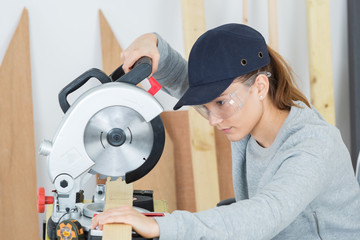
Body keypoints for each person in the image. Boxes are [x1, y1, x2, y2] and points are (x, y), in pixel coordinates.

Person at [91, 23, 360, 239]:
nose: (213, 120)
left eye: (220, 103)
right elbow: (182, 79)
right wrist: (153, 43)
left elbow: (265, 215)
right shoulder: (244, 116)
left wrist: (163, 227)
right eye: (207, 107)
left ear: (260, 88)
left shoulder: (313, 146)